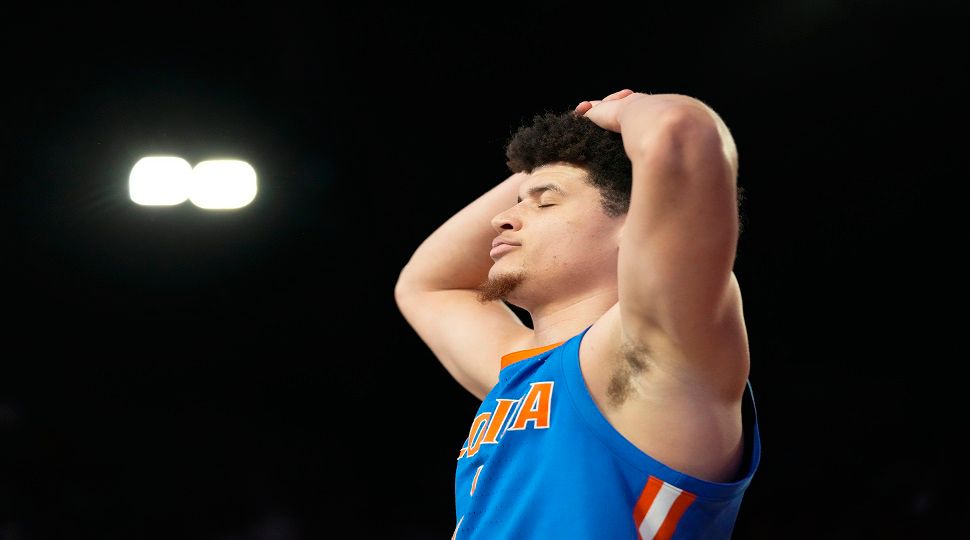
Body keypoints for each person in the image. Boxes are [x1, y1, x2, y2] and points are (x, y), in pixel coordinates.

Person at [394, 89, 760, 539]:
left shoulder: (657, 350)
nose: (501, 219)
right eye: (516, 203)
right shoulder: (520, 368)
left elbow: (680, 132)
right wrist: (557, 154)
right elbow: (427, 283)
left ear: (634, 223)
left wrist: (618, 115)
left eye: (545, 201)